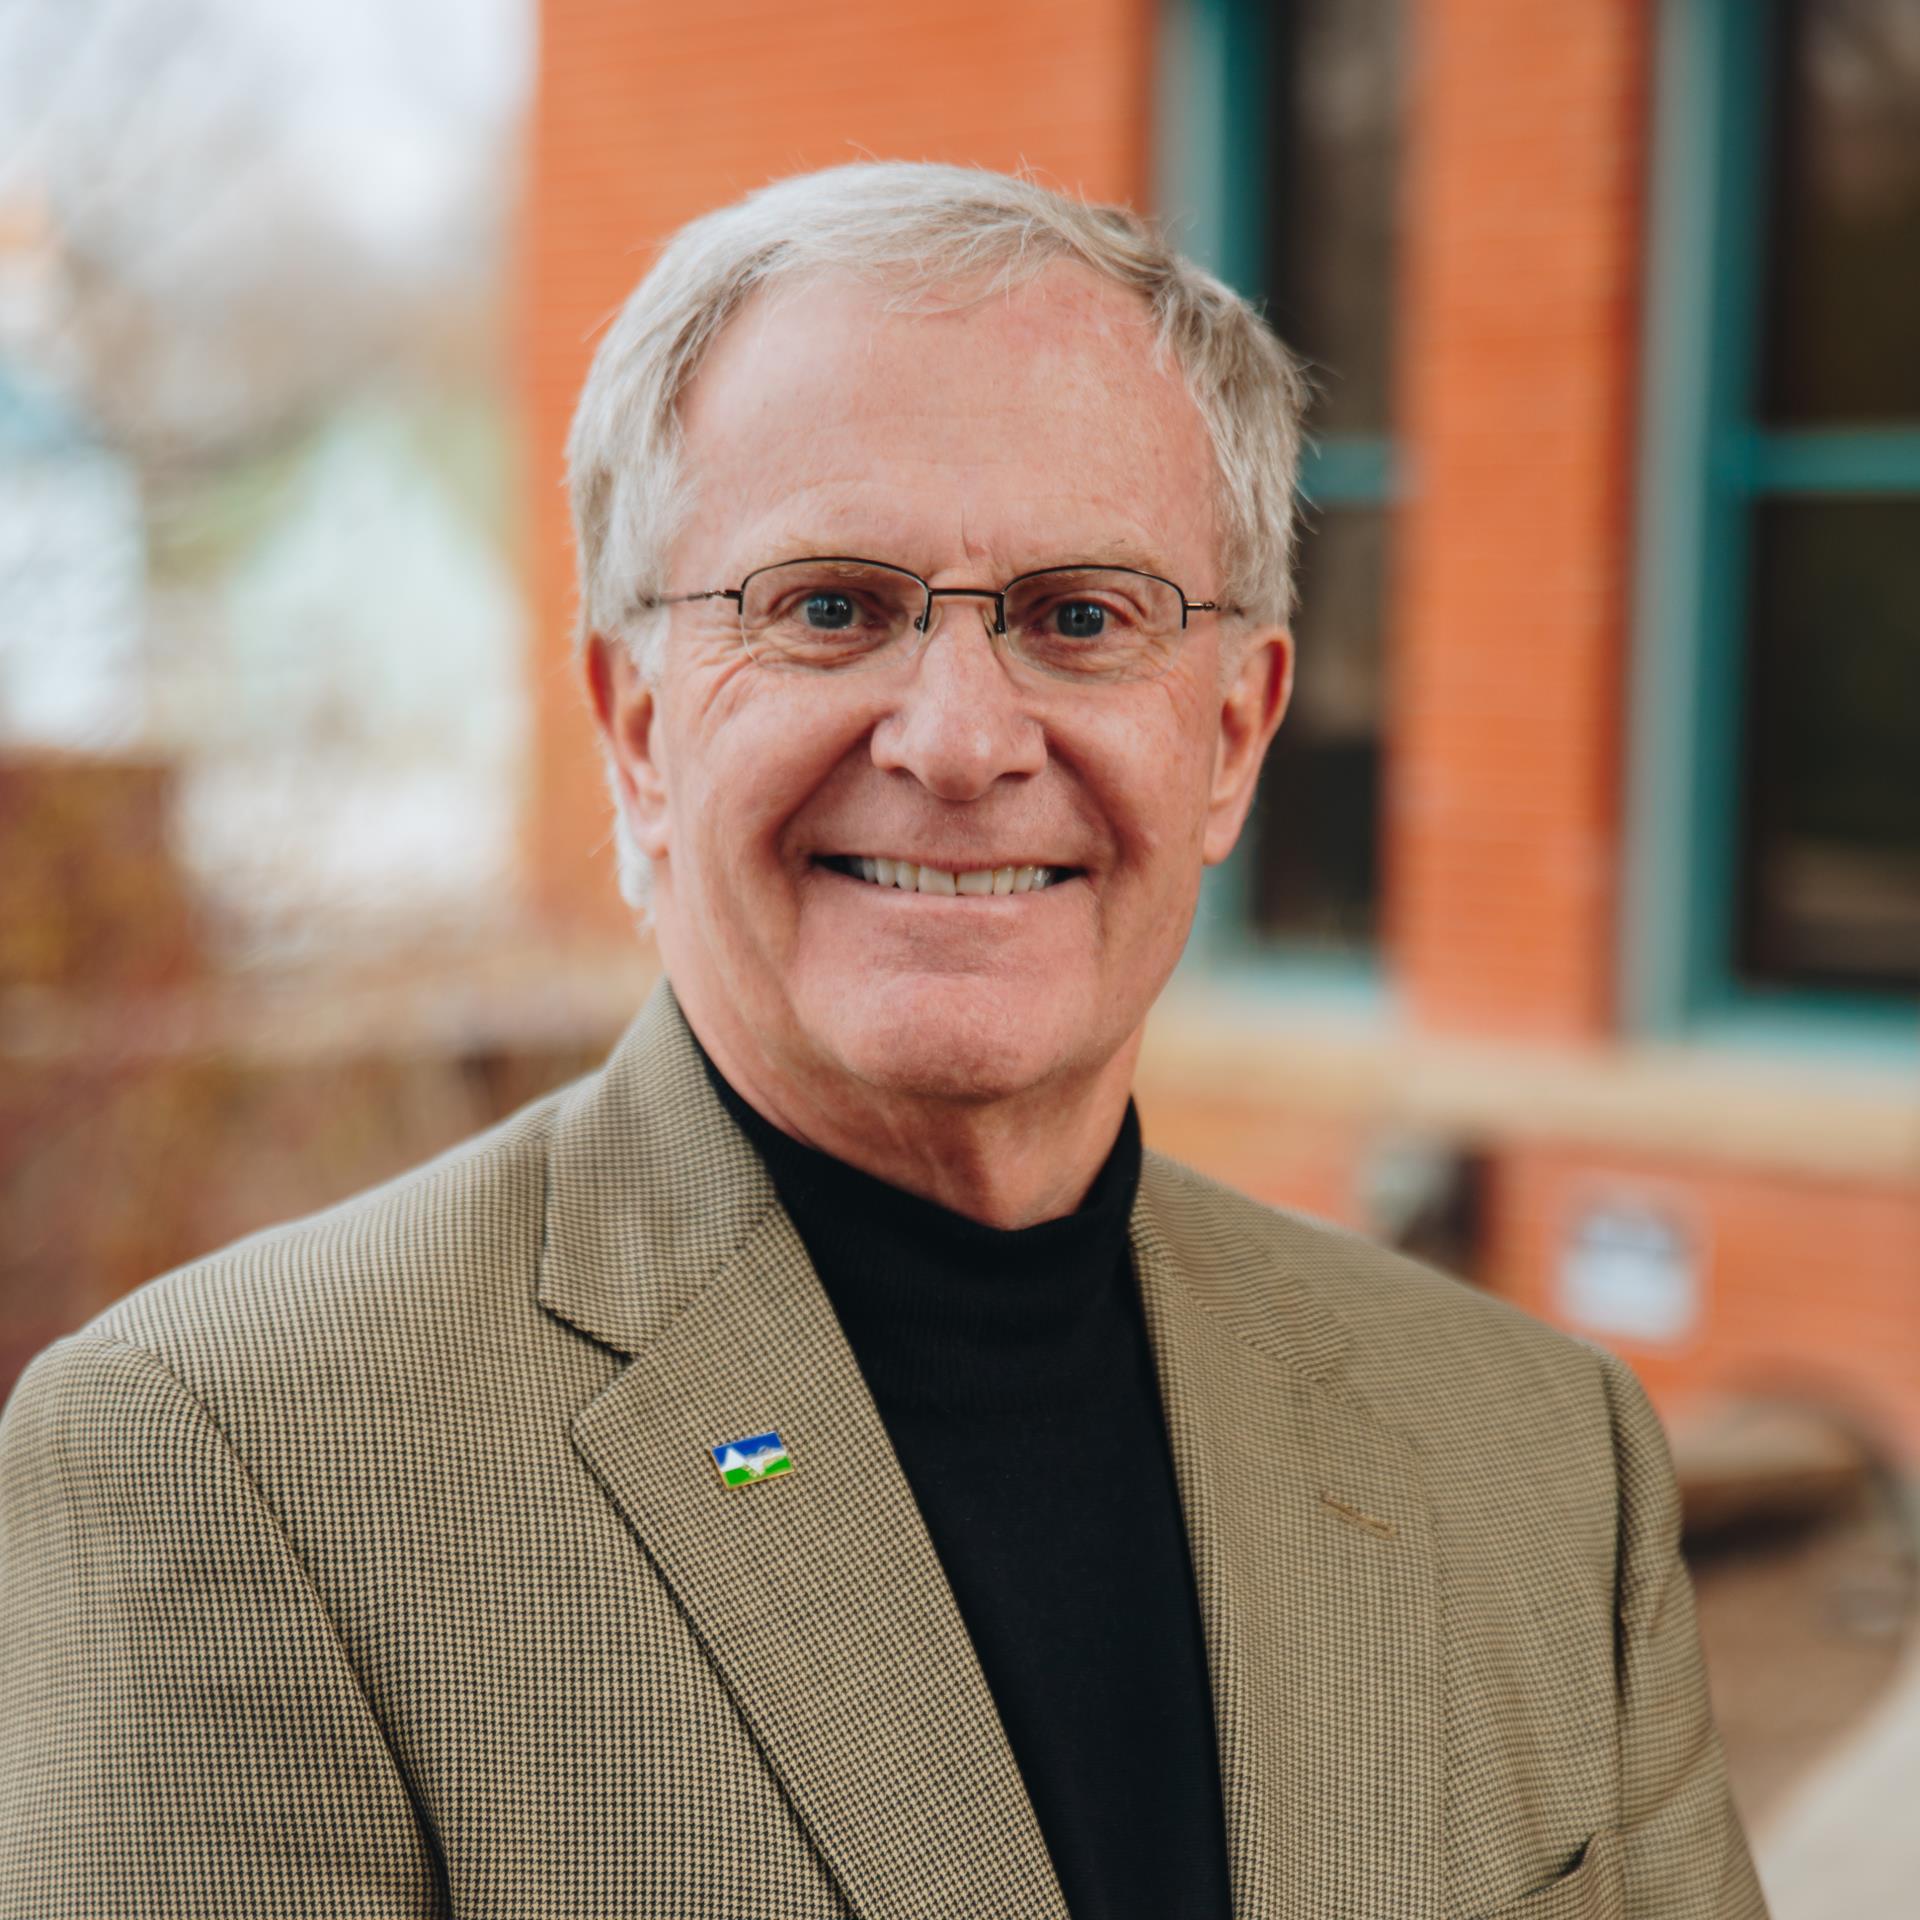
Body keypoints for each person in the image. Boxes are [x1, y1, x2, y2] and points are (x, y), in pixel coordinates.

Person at [0, 163, 1767, 1919]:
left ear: (1231, 737)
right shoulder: (230, 1464)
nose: (962, 740)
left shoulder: (1541, 1454)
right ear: (637, 727)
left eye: (1085, 619)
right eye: (831, 607)